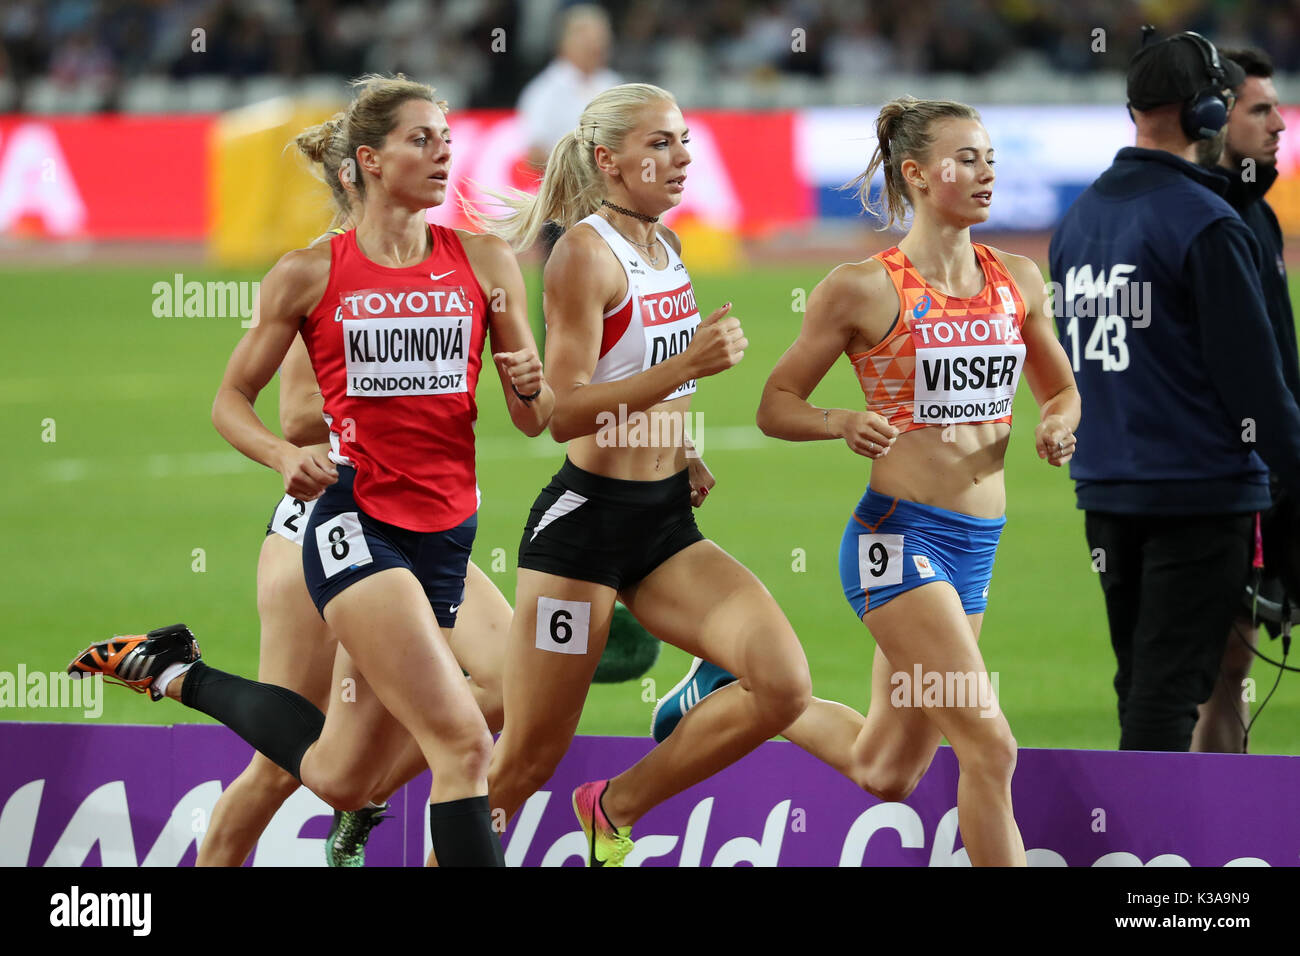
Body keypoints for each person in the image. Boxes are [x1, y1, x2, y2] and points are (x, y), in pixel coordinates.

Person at [68, 74, 553, 867]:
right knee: (461, 740)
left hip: (445, 530)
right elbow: (234, 401)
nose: (443, 155)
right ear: (367, 158)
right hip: (349, 520)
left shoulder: (489, 262)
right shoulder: (310, 274)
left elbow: (535, 421)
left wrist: (534, 386)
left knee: (336, 774)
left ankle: (172, 670)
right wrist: (285, 454)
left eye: (447, 140)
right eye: (420, 140)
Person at [476, 82, 812, 867]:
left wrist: (684, 444)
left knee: (782, 684)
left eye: (684, 139)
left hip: (662, 520)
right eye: (659, 142)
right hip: (585, 530)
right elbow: (562, 411)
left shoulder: (667, 246)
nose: (682, 156)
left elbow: (652, 364)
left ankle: (613, 807)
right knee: (525, 763)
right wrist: (686, 366)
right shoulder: (583, 255)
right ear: (608, 160)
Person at [743, 95, 1077, 867]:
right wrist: (840, 423)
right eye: (967, 159)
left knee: (886, 769)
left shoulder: (1019, 280)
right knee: (989, 745)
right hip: (896, 541)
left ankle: (739, 694)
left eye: (991, 158)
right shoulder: (861, 288)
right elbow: (773, 404)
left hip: (977, 548)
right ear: (918, 175)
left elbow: (1061, 389)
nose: (986, 173)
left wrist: (1059, 422)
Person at [1049, 30, 1300, 753]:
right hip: (1199, 493)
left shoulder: (1080, 220)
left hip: (1106, 492)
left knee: (1143, 682)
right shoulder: (1207, 223)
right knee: (1169, 693)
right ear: (1209, 116)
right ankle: (1147, 853)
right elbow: (1255, 387)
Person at [1192, 47, 1296, 753]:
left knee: (1232, 665)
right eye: (1259, 110)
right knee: (1222, 667)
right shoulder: (1209, 217)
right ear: (1213, 117)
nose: (1278, 124)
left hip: (1271, 470)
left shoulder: (1257, 213)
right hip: (1234, 477)